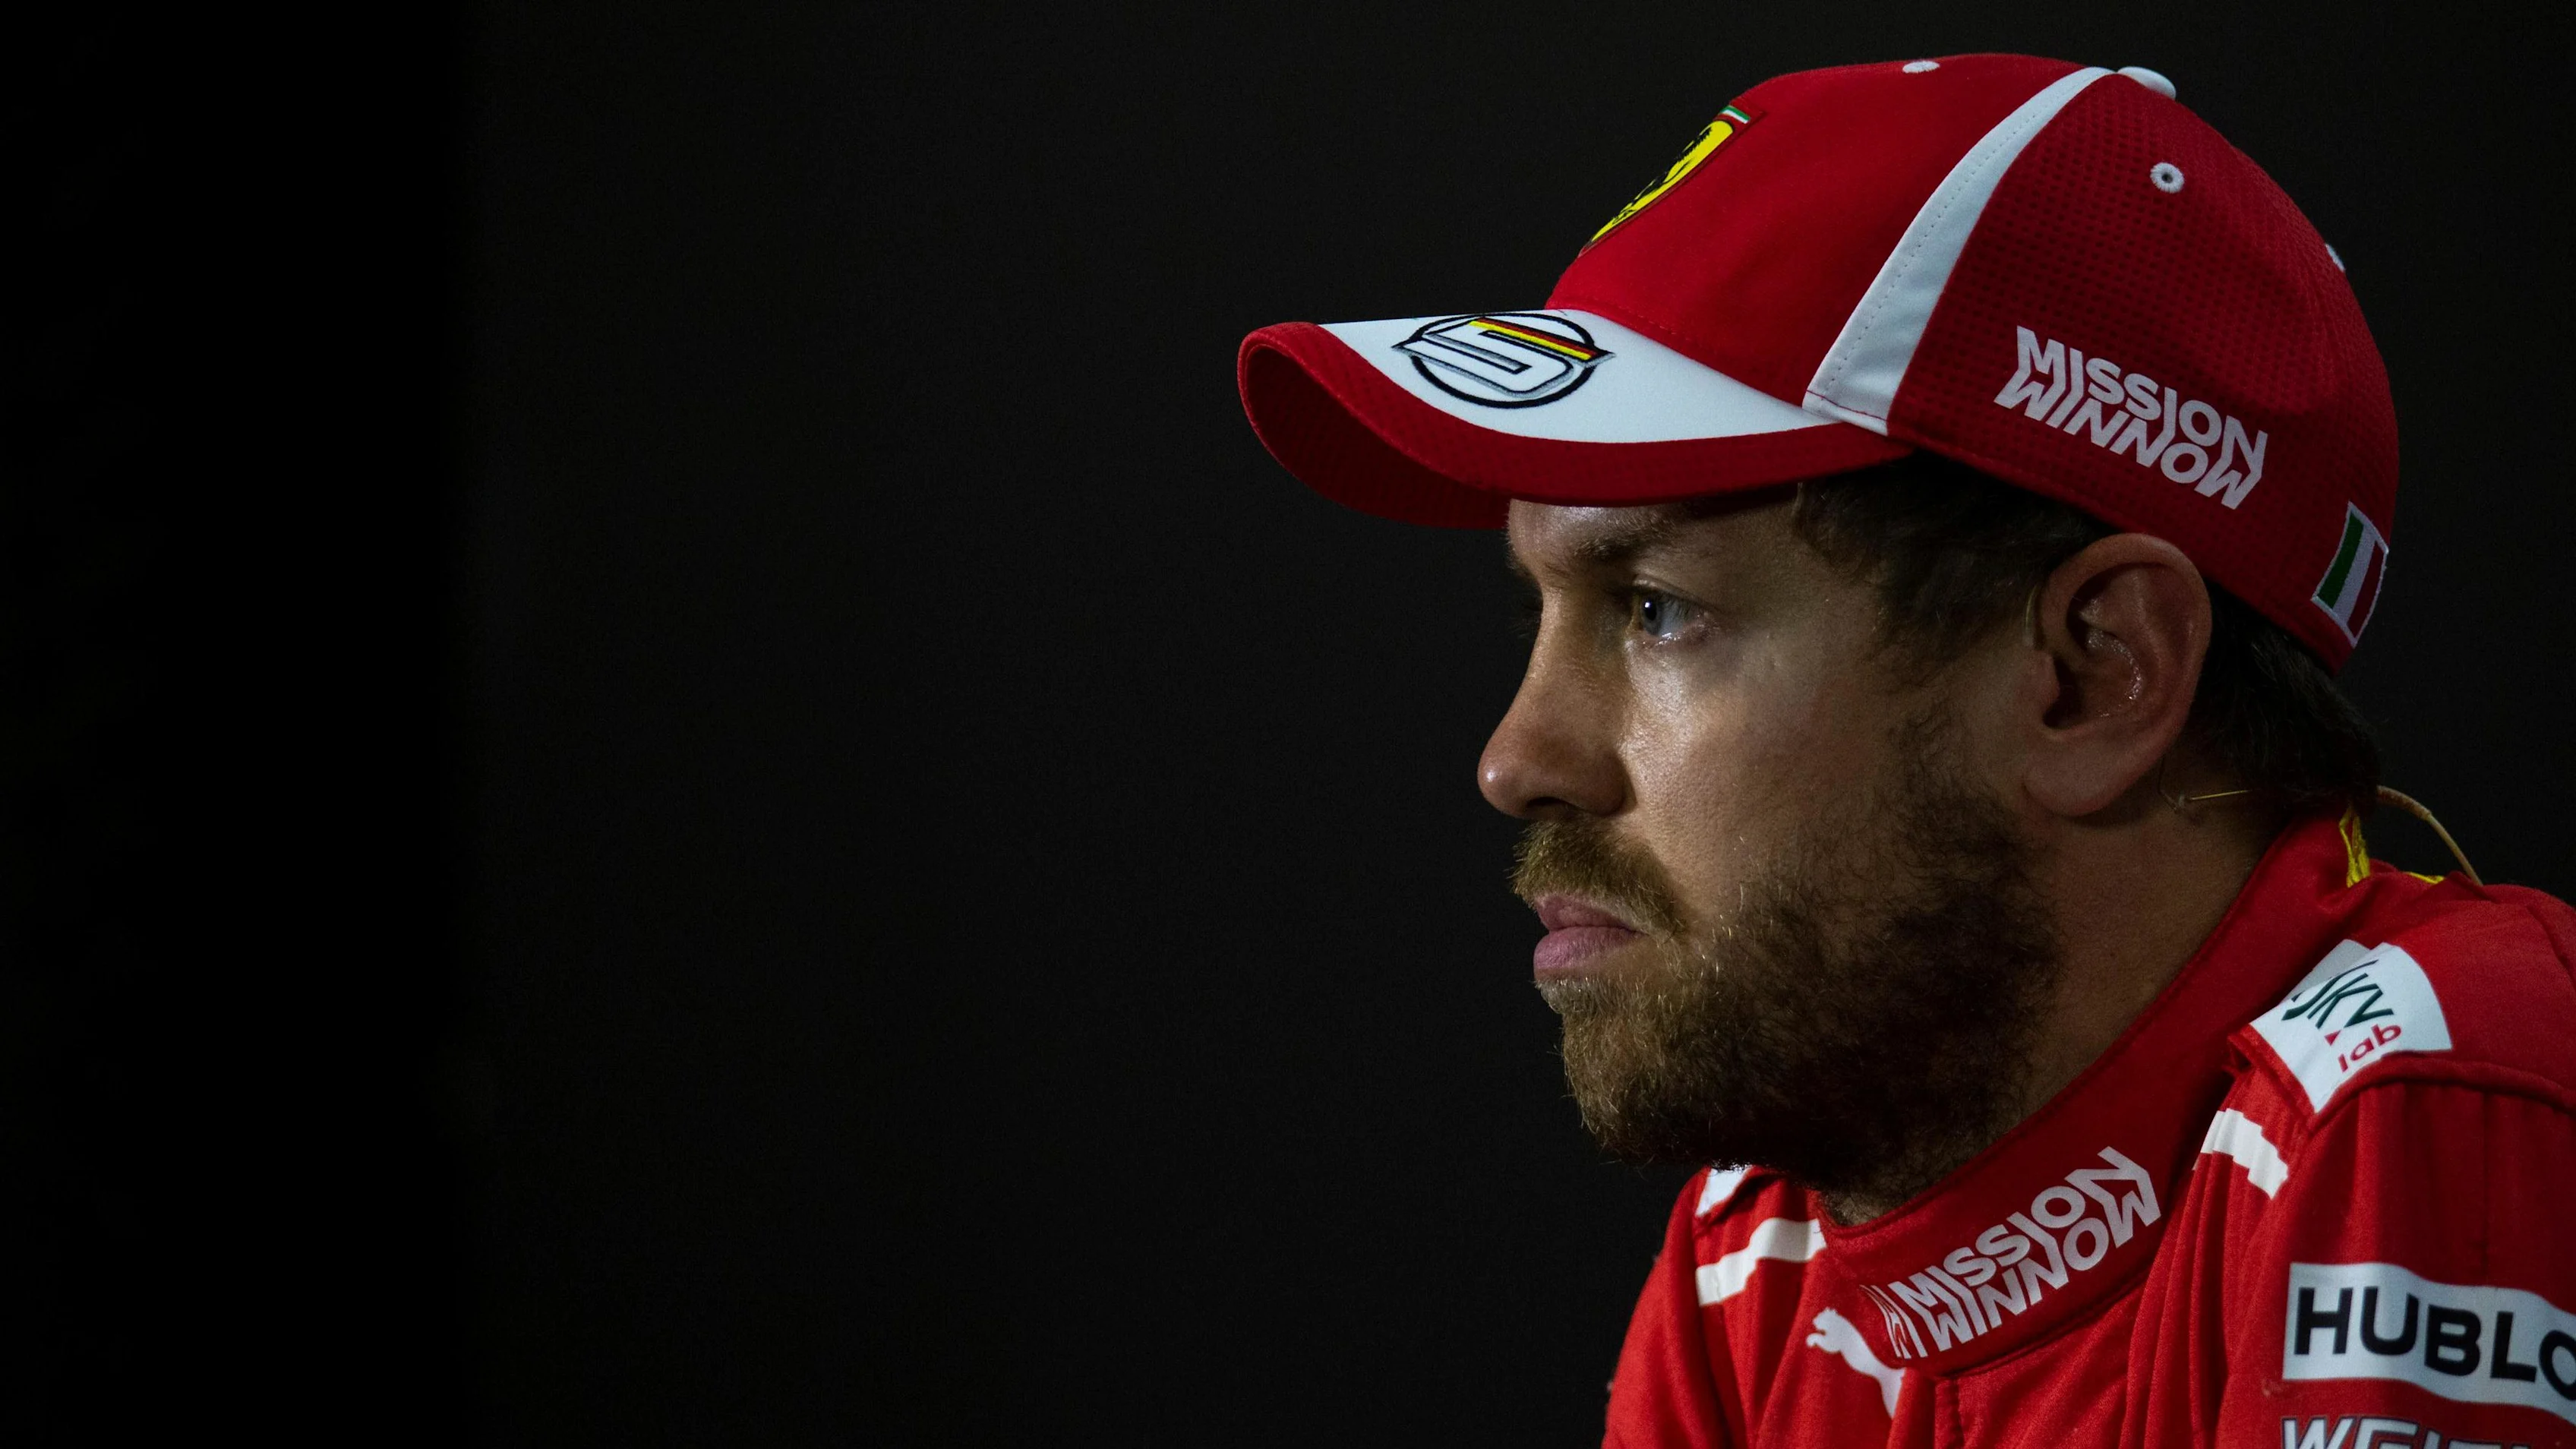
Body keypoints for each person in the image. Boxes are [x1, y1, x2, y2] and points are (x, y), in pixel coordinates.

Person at [1234, 55, 2574, 1449]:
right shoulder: (1762, 1249)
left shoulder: (2436, 1095)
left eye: (1656, 610)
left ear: (2093, 677)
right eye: (1542, 609)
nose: (1520, 761)